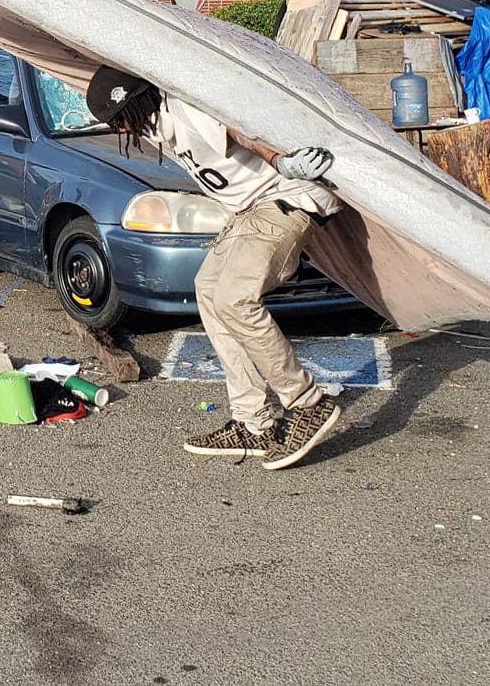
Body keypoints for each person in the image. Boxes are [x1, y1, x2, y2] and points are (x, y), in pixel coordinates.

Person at [85, 65, 344, 470]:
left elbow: (238, 128)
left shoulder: (185, 105)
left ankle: (308, 402)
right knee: (208, 291)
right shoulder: (158, 127)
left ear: (137, 103)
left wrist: (280, 160)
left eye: (120, 120)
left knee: (235, 299)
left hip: (281, 199)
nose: (120, 130)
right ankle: (253, 422)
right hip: (246, 213)